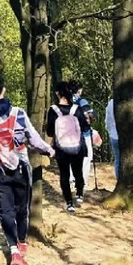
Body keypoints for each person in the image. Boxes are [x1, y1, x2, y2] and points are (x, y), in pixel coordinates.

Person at [0, 70, 55, 265]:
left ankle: (14, 251)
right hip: (20, 166)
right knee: (22, 208)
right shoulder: (18, 113)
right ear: (4, 89)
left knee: (5, 210)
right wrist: (49, 150)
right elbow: (34, 139)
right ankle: (21, 244)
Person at [46, 82, 92, 212]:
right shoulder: (76, 109)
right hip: (78, 146)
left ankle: (69, 203)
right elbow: (84, 127)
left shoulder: (53, 110)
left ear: (57, 94)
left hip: (61, 148)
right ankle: (79, 194)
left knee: (64, 175)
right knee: (78, 172)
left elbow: (50, 131)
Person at [69, 80, 95, 185]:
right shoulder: (82, 101)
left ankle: (71, 177)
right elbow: (91, 116)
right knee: (86, 156)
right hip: (84, 133)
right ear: (79, 90)